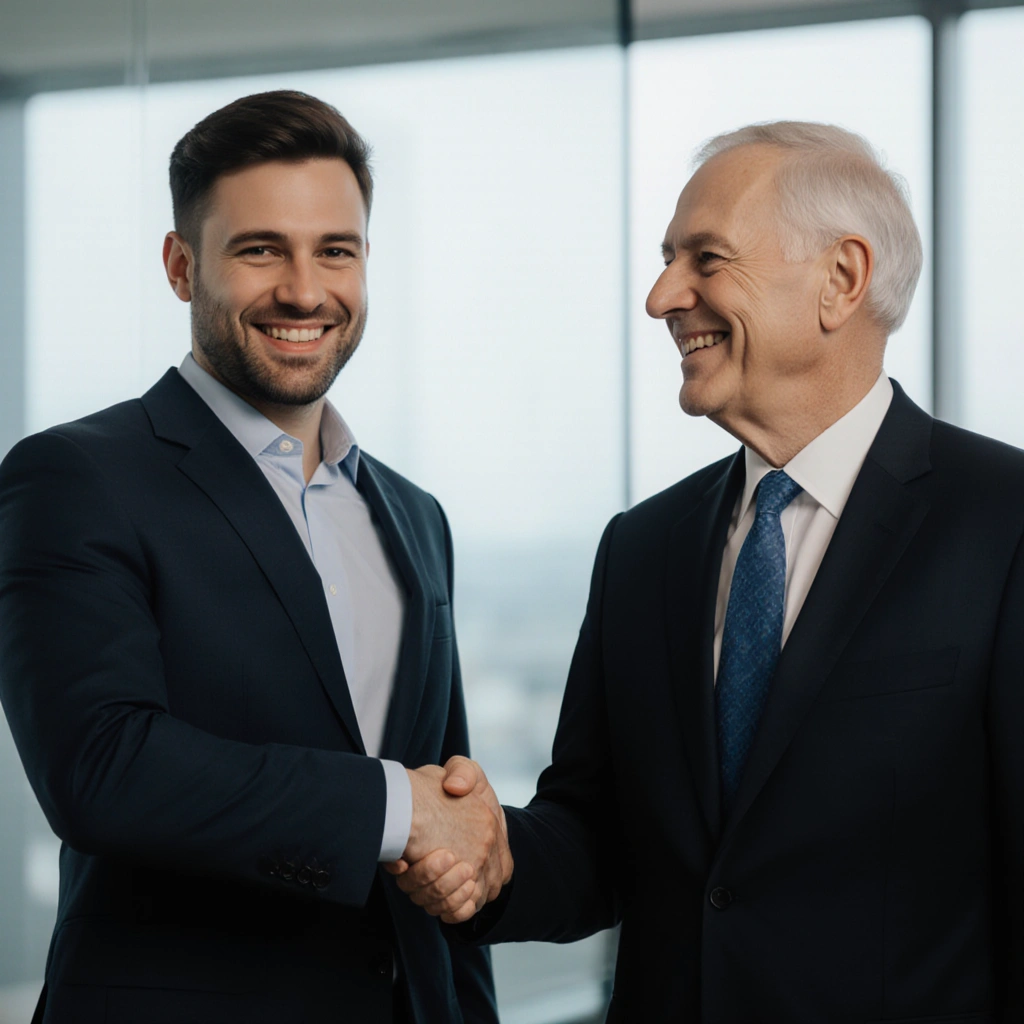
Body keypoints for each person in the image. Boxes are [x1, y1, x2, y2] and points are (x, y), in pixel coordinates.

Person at [393, 122, 1024, 1022]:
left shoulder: (1002, 522)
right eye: (666, 260)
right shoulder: (643, 547)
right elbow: (596, 840)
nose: (661, 298)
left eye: (705, 259)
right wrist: (492, 857)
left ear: (842, 280)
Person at [0, 90, 510, 1024]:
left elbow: (447, 833)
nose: (305, 291)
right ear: (180, 265)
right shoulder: (74, 477)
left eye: (336, 251)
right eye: (261, 248)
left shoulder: (414, 517)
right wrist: (393, 806)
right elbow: (102, 769)